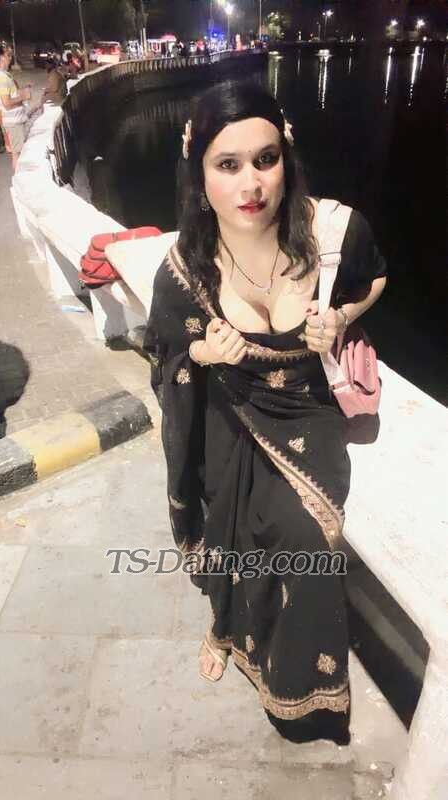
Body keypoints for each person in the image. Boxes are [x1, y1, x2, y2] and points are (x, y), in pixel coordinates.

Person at [143, 81, 387, 745]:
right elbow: (166, 350)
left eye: (265, 159)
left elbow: (373, 277)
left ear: (286, 156)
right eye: (228, 165)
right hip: (228, 415)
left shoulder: (332, 232)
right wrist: (204, 350)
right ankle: (224, 628)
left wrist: (340, 316)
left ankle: (303, 684)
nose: (250, 184)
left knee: (305, 541)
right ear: (200, 174)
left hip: (307, 413)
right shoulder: (186, 266)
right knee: (230, 531)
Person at [0, 44, 31, 172]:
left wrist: (22, 92)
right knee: (18, 155)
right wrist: (23, 96)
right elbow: (6, 103)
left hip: (15, 122)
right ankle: (19, 180)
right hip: (13, 123)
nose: (10, 58)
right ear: (1, 57)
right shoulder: (1, 77)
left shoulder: (4, 75)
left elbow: (11, 95)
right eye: (8, 55)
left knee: (18, 153)